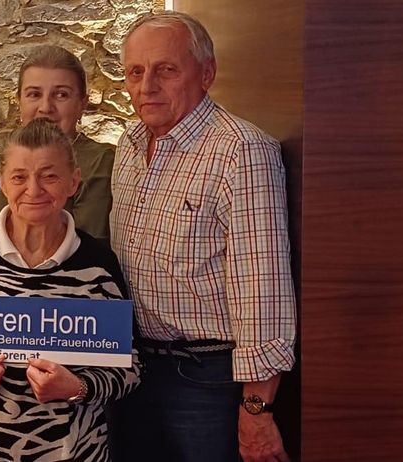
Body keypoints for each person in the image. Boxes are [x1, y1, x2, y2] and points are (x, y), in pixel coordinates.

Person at [109, 11, 296, 462]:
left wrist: (257, 410)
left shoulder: (242, 152)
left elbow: (262, 290)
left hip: (205, 379)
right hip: (132, 368)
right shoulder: (128, 148)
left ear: (206, 74)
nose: (147, 85)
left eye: (166, 70)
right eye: (136, 71)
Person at [0, 118, 140, 461]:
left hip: (69, 452)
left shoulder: (97, 265)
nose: (34, 190)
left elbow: (130, 366)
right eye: (20, 176)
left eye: (49, 176)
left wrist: (77, 388)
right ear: (2, 183)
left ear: (73, 182)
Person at [0, 45, 115, 244]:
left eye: (61, 95)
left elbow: (86, 245)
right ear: (19, 101)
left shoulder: (99, 161)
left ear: (82, 104)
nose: (45, 107)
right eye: (34, 94)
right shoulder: (11, 155)